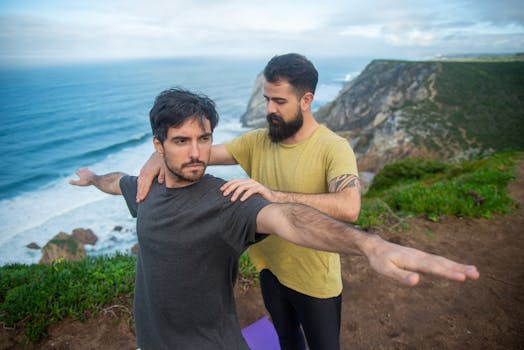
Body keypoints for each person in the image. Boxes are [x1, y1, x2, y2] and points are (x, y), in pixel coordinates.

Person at [72, 87, 479, 349]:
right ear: (158, 146)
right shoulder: (146, 189)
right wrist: (92, 179)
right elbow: (118, 182)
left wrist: (368, 244)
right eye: (182, 141)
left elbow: (288, 219)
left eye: (204, 139)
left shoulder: (224, 200)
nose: (196, 152)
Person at [137, 53, 361, 349]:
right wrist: (156, 157)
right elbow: (195, 151)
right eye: (267, 98)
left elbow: (349, 207)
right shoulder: (257, 141)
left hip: (315, 279)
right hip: (270, 270)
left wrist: (276, 196)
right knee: (288, 340)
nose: (269, 109)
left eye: (279, 102)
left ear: (306, 100)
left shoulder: (333, 148)